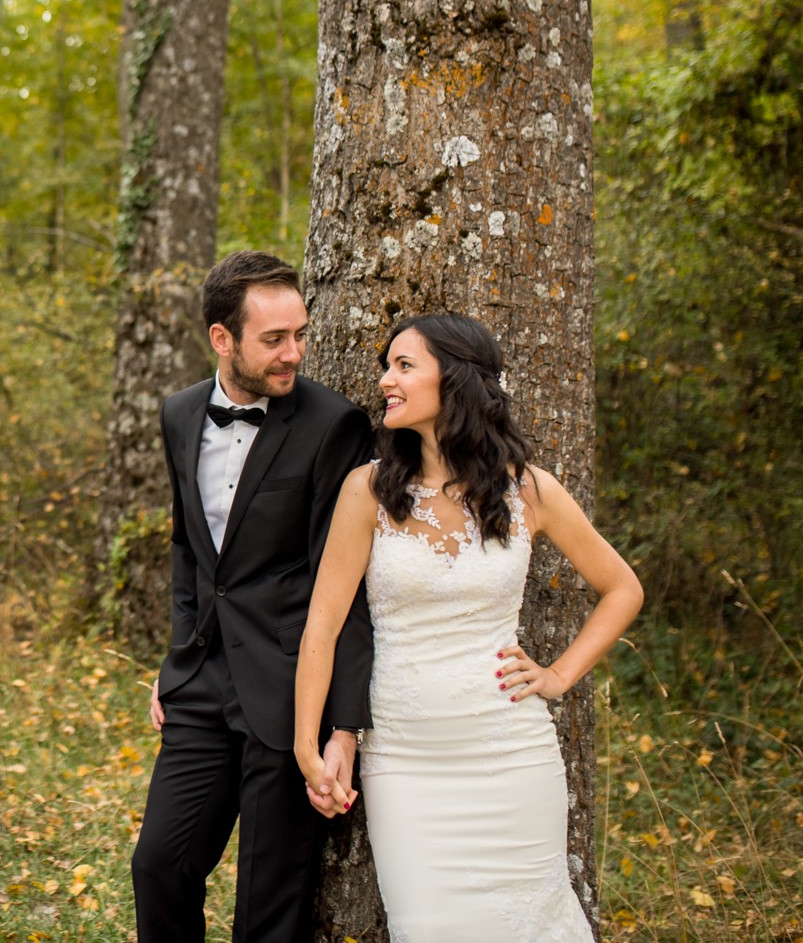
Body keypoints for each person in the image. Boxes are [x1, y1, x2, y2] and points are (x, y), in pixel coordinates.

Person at [293, 314, 643, 942]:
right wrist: (306, 746)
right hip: (404, 761)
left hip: (511, 754)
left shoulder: (527, 490)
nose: (385, 382)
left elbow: (623, 589)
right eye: (387, 366)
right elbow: (322, 625)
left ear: (454, 380)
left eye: (404, 366)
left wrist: (559, 675)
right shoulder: (367, 490)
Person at [131, 251, 375, 943]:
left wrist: (344, 727)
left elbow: (348, 585)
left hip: (292, 688)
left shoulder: (334, 424)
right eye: (274, 338)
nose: (293, 351)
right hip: (201, 686)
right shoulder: (178, 414)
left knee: (267, 910)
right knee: (158, 865)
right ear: (222, 338)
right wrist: (175, 654)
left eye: (299, 333)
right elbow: (190, 552)